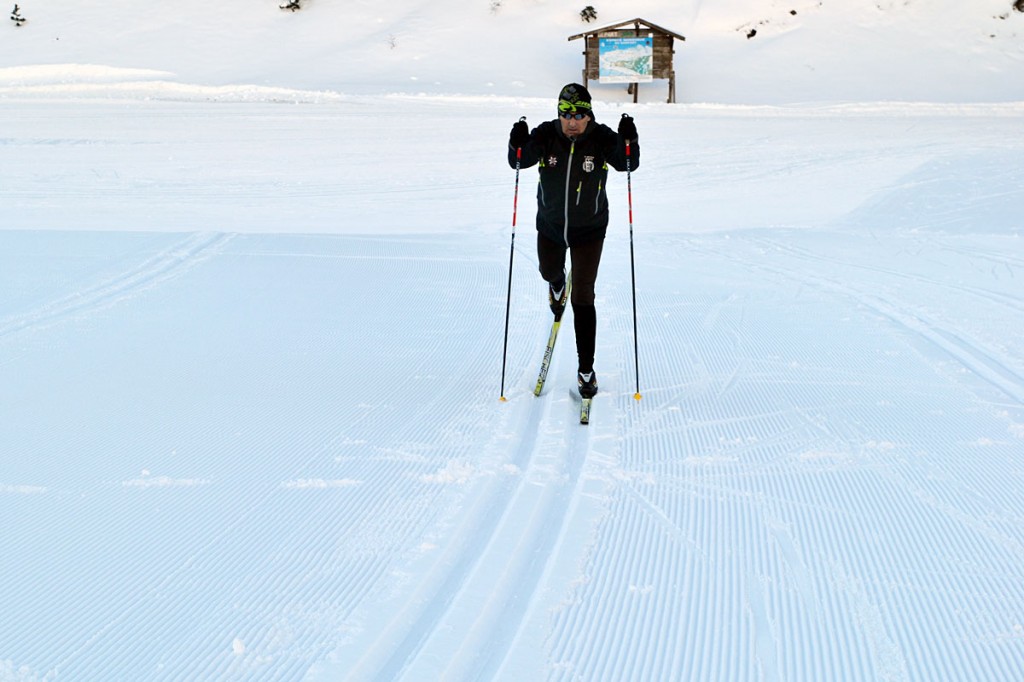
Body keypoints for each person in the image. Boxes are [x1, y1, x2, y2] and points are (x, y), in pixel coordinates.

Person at [507, 83, 639, 399]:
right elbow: (519, 161)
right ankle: (556, 285)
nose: (572, 122)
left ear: (588, 114)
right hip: (551, 226)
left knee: (583, 297)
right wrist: (516, 144)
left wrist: (629, 140)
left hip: (589, 230)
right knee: (547, 270)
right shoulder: (545, 135)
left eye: (579, 115)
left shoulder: (602, 137)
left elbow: (627, 163)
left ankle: (586, 370)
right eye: (566, 115)